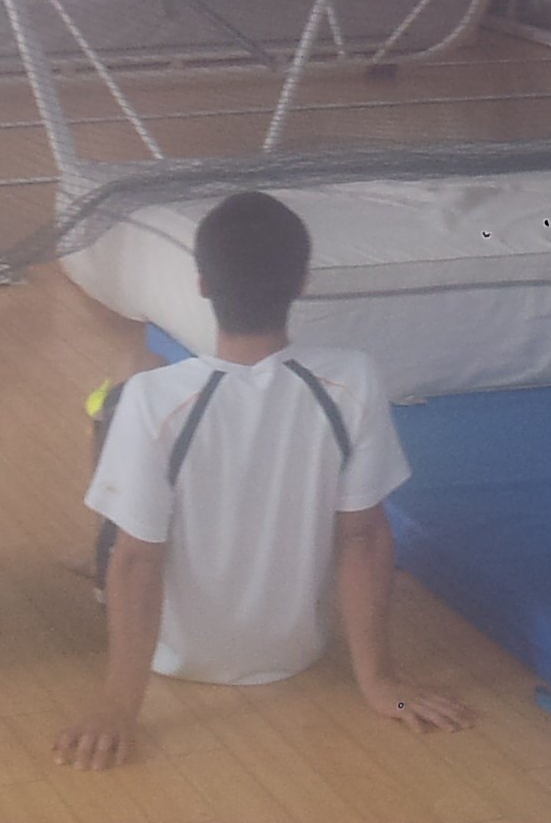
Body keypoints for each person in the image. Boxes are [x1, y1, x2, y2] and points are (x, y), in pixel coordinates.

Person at [55, 190, 468, 771]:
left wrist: (118, 707)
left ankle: (89, 558)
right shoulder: (352, 380)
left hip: (172, 654)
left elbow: (135, 562)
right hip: (296, 651)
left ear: (202, 284)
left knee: (127, 382)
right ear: (301, 283)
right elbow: (364, 537)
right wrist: (382, 683)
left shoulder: (153, 400)